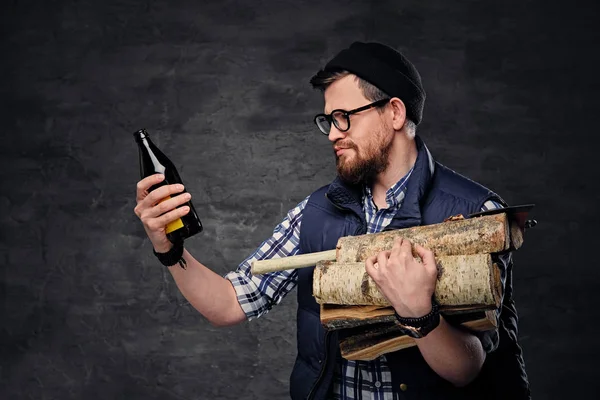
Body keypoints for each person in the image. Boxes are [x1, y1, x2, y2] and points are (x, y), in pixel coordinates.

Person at [134, 41, 531, 399]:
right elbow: (228, 303)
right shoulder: (315, 212)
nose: (331, 134)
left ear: (394, 112)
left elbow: (468, 370)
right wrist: (169, 249)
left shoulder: (478, 216)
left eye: (344, 116)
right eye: (328, 120)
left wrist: (420, 314)